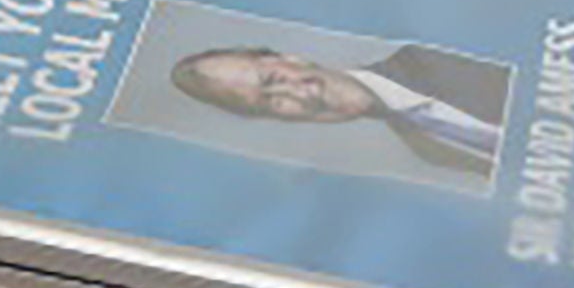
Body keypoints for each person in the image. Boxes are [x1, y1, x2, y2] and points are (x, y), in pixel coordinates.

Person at [168, 43, 508, 176]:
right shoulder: (428, 149)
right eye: (270, 100)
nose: (297, 93)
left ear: (290, 57)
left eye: (272, 77)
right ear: (274, 118)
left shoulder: (439, 52)